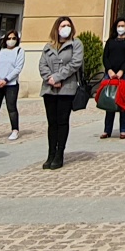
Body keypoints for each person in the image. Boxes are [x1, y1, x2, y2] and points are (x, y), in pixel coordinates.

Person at [38, 15, 85, 169]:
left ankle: (59, 154)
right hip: (49, 89)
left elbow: (75, 63)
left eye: (68, 25)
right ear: (57, 29)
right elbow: (42, 64)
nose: (66, 28)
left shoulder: (76, 44)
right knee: (52, 123)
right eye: (62, 25)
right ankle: (50, 154)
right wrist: (50, 79)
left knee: (62, 121)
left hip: (67, 88)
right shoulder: (49, 46)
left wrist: (58, 77)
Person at [97, 18, 125, 139]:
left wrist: (121, 71)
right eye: (119, 26)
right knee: (109, 100)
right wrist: (109, 70)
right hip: (110, 74)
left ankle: (123, 130)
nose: (120, 28)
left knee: (123, 101)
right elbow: (105, 57)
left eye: (123, 26)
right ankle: (107, 130)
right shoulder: (110, 41)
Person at [0, 29, 28, 140]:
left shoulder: (19, 51)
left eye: (13, 38)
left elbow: (18, 68)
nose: (11, 41)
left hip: (11, 84)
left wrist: (6, 79)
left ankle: (15, 130)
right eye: (9, 38)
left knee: (11, 108)